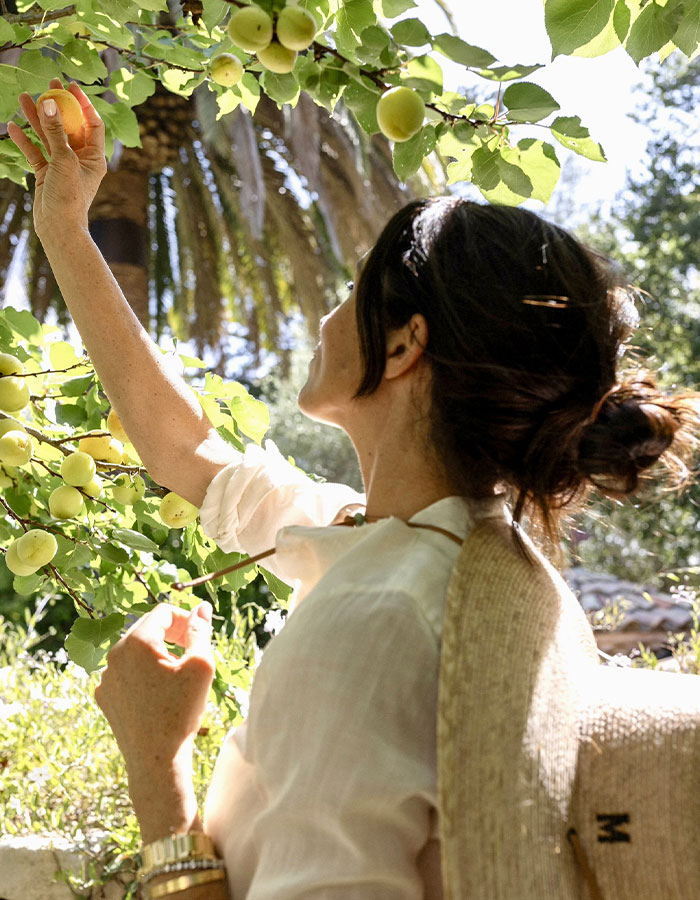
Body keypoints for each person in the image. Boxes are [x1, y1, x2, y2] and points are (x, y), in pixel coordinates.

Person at [9, 81, 700, 900]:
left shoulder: (373, 621)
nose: (328, 313)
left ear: (406, 343)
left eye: (353, 290)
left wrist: (156, 764)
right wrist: (64, 226)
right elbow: (186, 449)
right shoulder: (437, 552)